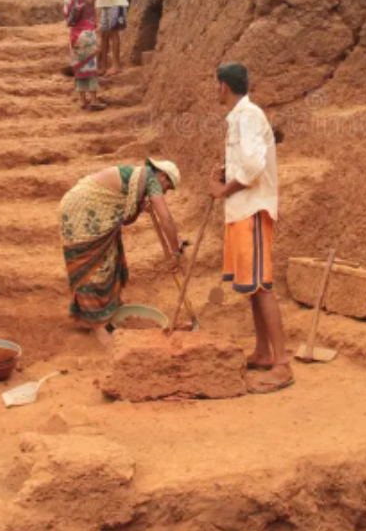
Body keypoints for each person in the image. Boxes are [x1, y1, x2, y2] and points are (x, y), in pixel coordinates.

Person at [209, 63, 293, 394]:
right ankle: (262, 351)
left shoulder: (246, 116)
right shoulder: (242, 117)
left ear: (222, 87)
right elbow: (247, 161)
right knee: (252, 286)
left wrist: (224, 189)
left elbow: (255, 167)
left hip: (252, 209)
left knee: (262, 285)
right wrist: (226, 171)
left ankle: (282, 363)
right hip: (243, 211)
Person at [59, 159, 183, 343]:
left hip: (85, 209)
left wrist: (140, 207)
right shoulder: (150, 178)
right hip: (81, 212)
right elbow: (166, 219)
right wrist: (176, 252)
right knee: (93, 269)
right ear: (162, 176)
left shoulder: (139, 178)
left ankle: (106, 314)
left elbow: (123, 212)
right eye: (168, 187)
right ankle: (97, 327)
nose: (165, 192)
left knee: (110, 259)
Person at [63, 0, 106, 112]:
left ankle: (82, 100)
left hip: (75, 35)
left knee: (79, 67)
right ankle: (93, 100)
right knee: (91, 67)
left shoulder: (68, 0)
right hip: (87, 34)